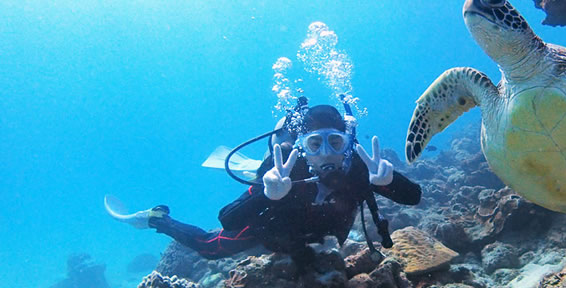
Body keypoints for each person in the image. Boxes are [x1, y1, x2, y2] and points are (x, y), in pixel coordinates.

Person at [109, 102, 421, 263]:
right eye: (314, 144)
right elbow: (227, 219)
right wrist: (266, 194)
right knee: (210, 248)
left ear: (347, 143)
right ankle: (156, 219)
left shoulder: (358, 168)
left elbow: (413, 197)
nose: (326, 153)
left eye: (335, 143)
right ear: (300, 145)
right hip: (276, 232)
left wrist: (389, 181)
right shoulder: (284, 167)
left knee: (310, 261)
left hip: (315, 238)